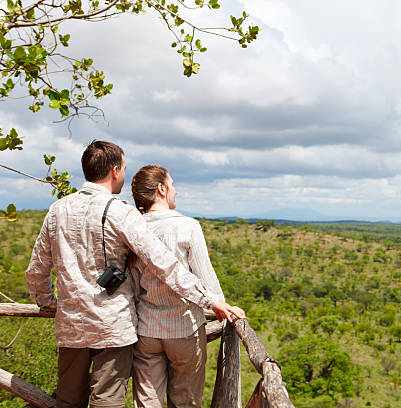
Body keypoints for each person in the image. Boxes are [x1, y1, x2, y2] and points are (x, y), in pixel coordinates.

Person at [25, 141, 244, 408]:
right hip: (113, 327)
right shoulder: (120, 212)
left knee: (68, 400)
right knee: (107, 401)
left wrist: (49, 303)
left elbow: (37, 269)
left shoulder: (57, 210)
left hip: (71, 326)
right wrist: (210, 300)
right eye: (124, 169)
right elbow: (163, 263)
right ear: (115, 171)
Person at [129, 164, 243, 408]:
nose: (176, 191)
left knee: (146, 403)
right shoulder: (187, 226)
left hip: (146, 329)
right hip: (184, 328)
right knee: (186, 402)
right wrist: (222, 306)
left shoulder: (134, 228)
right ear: (161, 189)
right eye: (172, 185)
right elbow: (206, 277)